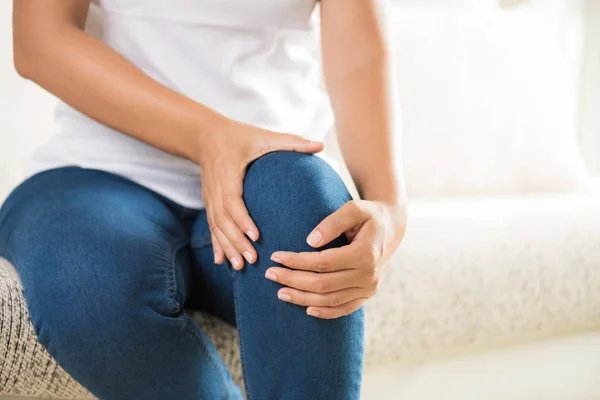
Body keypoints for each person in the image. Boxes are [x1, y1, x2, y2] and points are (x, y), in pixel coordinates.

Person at [0, 0, 407, 399]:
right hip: (97, 169)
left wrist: (388, 206)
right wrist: (209, 136)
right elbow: (41, 40)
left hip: (270, 170)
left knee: (307, 223)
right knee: (84, 284)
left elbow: (359, 57)